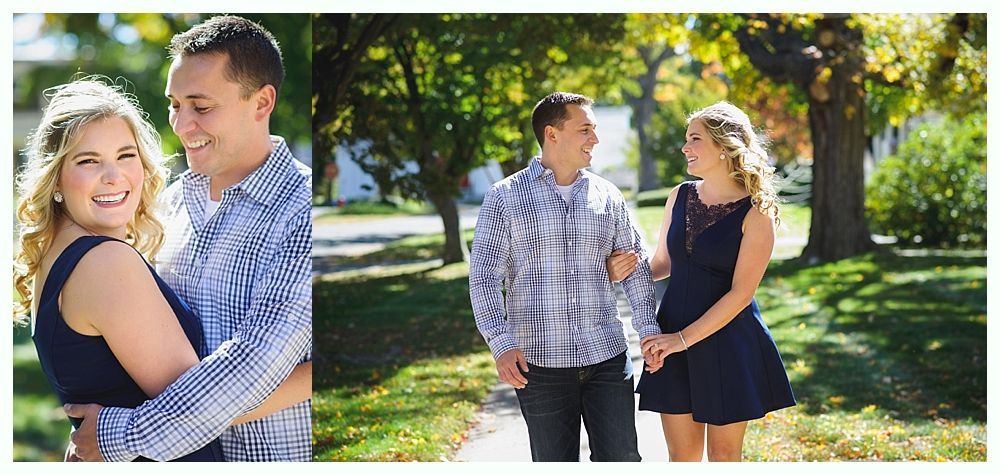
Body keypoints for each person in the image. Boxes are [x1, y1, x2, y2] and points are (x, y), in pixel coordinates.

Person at [12, 78, 311, 462]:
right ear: (56, 177)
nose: (113, 176)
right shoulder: (106, 262)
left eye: (126, 155)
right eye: (88, 161)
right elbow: (203, 402)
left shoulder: (61, 255)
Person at [469, 92, 662, 462]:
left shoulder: (607, 196)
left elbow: (634, 267)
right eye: (585, 129)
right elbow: (484, 278)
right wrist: (500, 342)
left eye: (594, 129)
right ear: (552, 134)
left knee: (623, 459)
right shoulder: (504, 198)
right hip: (539, 364)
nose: (595, 139)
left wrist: (647, 329)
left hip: (606, 355)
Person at [608, 101, 796, 461]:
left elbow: (742, 294)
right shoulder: (679, 196)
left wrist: (681, 340)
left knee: (724, 457)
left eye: (694, 139)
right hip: (671, 339)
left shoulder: (757, 212)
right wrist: (624, 269)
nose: (685, 147)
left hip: (728, 342)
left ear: (724, 147)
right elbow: (664, 262)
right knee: (682, 457)